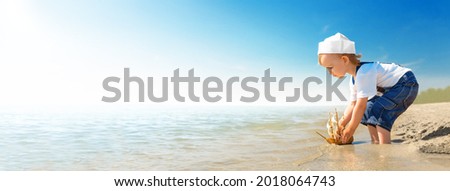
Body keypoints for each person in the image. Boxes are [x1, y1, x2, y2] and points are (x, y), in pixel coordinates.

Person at [317, 33, 419, 144]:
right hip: (389, 89)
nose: (329, 72)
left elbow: (360, 105)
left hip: (406, 83)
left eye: (330, 67)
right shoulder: (354, 79)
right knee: (368, 110)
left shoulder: (364, 72)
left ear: (345, 60)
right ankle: (375, 142)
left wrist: (350, 129)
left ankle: (385, 146)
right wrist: (341, 124)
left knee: (379, 109)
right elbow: (353, 105)